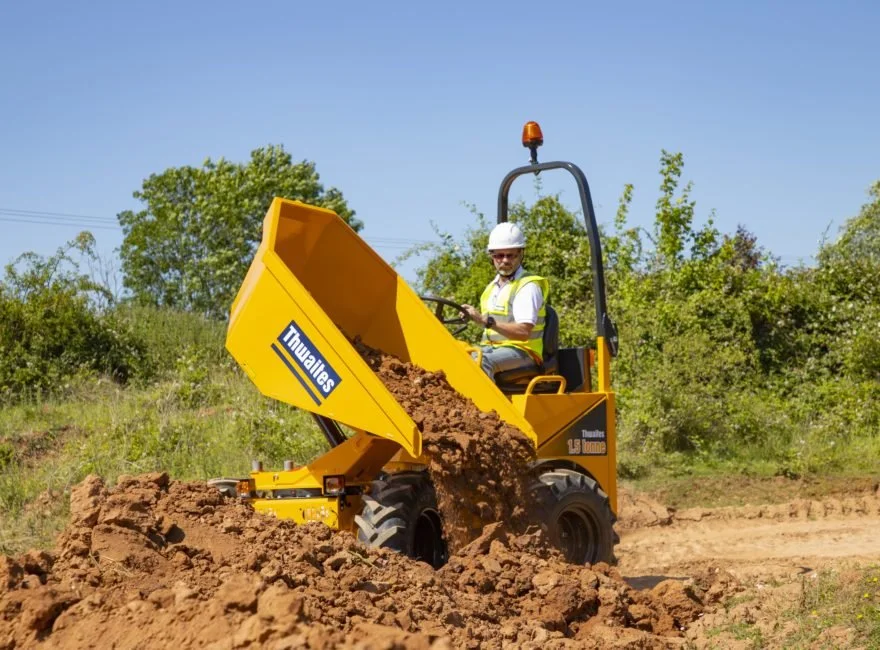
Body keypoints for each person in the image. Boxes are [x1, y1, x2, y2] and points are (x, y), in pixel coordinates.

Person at [462, 222, 549, 381]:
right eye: (499, 255)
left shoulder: (527, 287)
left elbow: (523, 333)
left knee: (480, 361)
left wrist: (484, 321)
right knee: (455, 352)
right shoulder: (491, 288)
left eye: (511, 255)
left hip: (524, 352)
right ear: (492, 256)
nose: (505, 260)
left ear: (521, 254)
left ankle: (484, 406)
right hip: (492, 349)